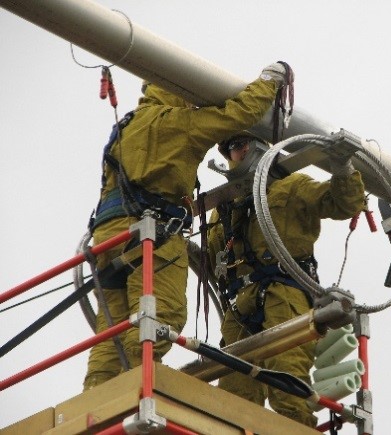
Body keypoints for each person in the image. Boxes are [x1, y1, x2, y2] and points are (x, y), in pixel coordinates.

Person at [83, 63, 289, 391]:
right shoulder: (178, 123)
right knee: (160, 317)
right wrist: (269, 81)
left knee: (112, 333)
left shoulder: (126, 126)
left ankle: (96, 399)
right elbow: (239, 113)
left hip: (107, 239)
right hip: (151, 235)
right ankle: (135, 391)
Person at [207, 133, 366, 427]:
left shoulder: (291, 186)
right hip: (239, 307)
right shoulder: (224, 207)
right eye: (234, 147)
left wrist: (342, 165)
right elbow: (210, 258)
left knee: (287, 384)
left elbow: (343, 204)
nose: (241, 151)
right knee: (233, 399)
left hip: (283, 293)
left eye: (245, 144)